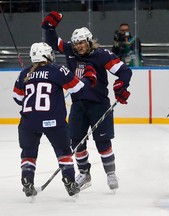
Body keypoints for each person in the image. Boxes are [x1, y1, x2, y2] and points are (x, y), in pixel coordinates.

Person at [41, 11, 132, 192]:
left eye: (81, 42)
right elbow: (54, 43)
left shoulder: (102, 55)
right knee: (75, 141)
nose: (78, 46)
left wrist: (121, 86)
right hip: (78, 105)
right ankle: (84, 173)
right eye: (76, 43)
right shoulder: (70, 51)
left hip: (99, 104)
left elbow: (124, 71)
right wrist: (49, 28)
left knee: (103, 142)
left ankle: (110, 173)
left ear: (89, 42)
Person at [12, 42, 96, 198]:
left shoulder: (24, 73)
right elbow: (78, 88)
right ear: (47, 55)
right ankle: (70, 182)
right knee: (64, 152)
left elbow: (17, 98)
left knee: (28, 153)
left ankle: (27, 179)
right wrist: (88, 78)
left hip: (28, 122)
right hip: (53, 121)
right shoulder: (58, 70)